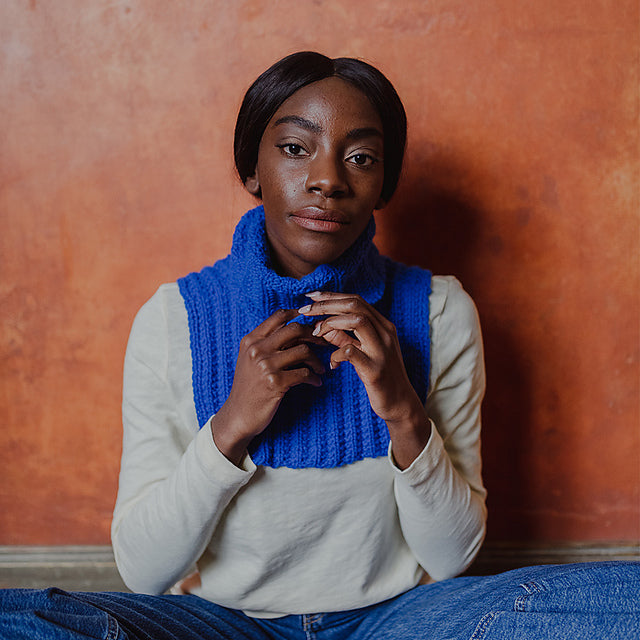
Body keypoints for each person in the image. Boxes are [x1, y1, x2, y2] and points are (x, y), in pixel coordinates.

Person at [1, 51, 638, 640]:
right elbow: (143, 571)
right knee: (24, 618)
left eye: (360, 158)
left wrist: (402, 409)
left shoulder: (441, 311)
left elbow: (451, 559)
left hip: (394, 622)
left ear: (384, 183)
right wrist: (231, 425)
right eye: (295, 148)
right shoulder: (173, 319)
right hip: (226, 625)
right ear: (251, 168)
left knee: (619, 599)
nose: (327, 180)